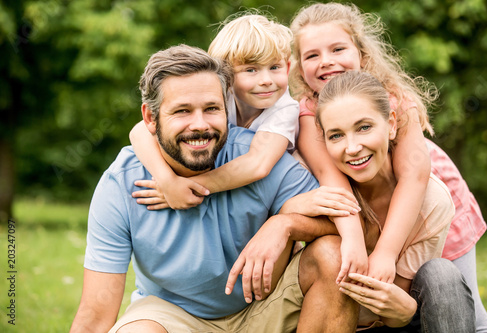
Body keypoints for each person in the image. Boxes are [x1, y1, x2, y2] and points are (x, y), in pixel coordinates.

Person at [70, 44, 362, 333]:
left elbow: (342, 222)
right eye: (182, 111)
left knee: (332, 254)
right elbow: (96, 315)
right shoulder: (121, 183)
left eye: (211, 109)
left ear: (227, 108)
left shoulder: (258, 157)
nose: (200, 125)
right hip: (173, 315)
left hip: (266, 307)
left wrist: (283, 225)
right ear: (149, 117)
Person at [289, 3, 487, 331]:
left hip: (428, 195)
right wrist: (354, 238)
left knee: (460, 300)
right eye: (312, 55)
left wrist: (385, 252)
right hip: (368, 206)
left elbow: (414, 175)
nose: (326, 61)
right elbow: (331, 178)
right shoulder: (308, 114)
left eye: (338, 48)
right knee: (390, 300)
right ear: (298, 68)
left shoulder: (393, 96)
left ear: (362, 53)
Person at [128, 14, 360, 218]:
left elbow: (257, 165)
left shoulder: (284, 108)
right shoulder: (219, 98)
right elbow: (139, 131)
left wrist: (187, 187)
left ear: (287, 67)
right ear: (226, 76)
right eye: (251, 70)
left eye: (274, 67)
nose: (266, 80)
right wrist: (167, 182)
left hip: (274, 190)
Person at [311, 70, 475, 331]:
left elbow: (389, 312)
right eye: (336, 135)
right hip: (340, 322)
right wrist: (284, 221)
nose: (352, 147)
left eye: (364, 127)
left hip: (400, 321)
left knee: (442, 275)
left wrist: (405, 310)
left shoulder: (431, 202)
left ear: (391, 124)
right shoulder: (318, 188)